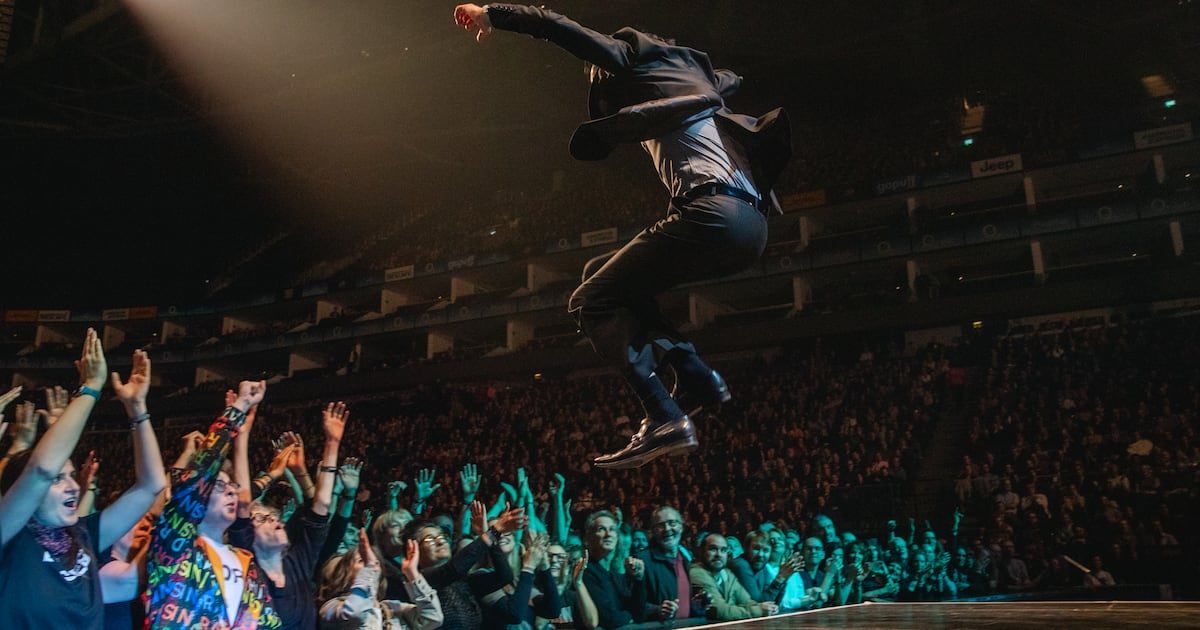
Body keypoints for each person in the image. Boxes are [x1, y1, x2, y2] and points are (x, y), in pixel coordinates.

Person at [453, 3, 791, 469]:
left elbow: (560, 29)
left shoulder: (635, 60)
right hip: (752, 225)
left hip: (713, 214)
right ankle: (696, 377)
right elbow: (730, 77)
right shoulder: (700, 85)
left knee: (589, 301)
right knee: (605, 277)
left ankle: (663, 415)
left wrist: (492, 13)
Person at [0, 333, 168, 630]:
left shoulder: (83, 535)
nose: (73, 485)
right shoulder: (10, 536)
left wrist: (137, 409)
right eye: (58, 479)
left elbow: (151, 485)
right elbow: (40, 469)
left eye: (71, 476)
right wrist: (89, 389)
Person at [144, 380, 282, 629]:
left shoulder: (246, 560)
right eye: (220, 486)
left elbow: (266, 623)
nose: (231, 490)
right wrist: (238, 409)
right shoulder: (176, 544)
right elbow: (199, 474)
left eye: (232, 486)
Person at [317, 529, 442, 630]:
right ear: (346, 573)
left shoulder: (392, 608)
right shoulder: (332, 607)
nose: (373, 568)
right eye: (362, 561)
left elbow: (432, 618)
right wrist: (370, 566)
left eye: (376, 563)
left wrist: (413, 574)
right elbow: (353, 613)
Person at [688, 533, 778, 620]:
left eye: (723, 550)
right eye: (713, 549)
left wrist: (766, 608)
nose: (718, 554)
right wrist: (759, 610)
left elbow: (748, 602)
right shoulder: (697, 573)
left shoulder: (727, 574)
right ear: (702, 551)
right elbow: (720, 611)